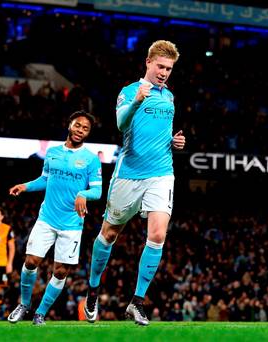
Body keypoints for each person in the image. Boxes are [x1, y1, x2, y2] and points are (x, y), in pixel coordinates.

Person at [84, 40, 185, 326]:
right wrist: (137, 101)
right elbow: (120, 124)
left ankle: (137, 302)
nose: (165, 73)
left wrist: (174, 142)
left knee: (157, 235)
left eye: (169, 69)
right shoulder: (129, 92)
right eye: (161, 66)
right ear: (148, 63)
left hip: (162, 173)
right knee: (109, 234)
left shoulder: (170, 97)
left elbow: (160, 134)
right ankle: (93, 289)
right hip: (129, 174)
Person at [7, 110, 102, 325]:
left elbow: (96, 191)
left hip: (72, 224)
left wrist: (83, 194)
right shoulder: (52, 152)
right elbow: (45, 179)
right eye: (78, 125)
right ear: (69, 124)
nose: (80, 130)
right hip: (47, 219)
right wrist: (25, 186)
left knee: (60, 271)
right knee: (31, 262)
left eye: (85, 128)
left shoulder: (91, 160)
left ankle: (40, 313)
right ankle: (24, 305)